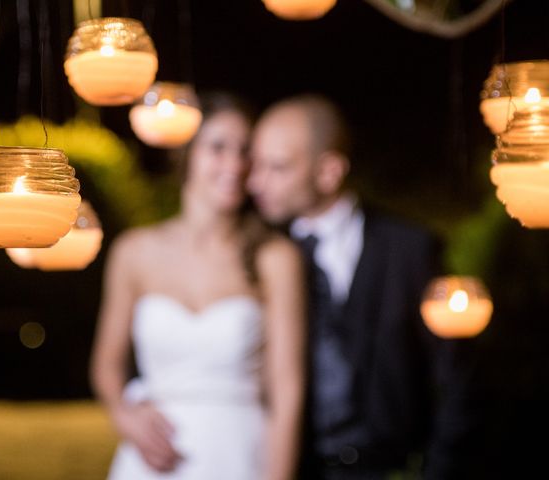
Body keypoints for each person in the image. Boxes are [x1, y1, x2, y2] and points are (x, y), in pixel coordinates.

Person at [247, 93, 478, 479]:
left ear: (329, 171)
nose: (256, 182)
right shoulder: (260, 256)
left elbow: (460, 376)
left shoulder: (410, 249)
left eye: (278, 167)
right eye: (256, 165)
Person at [90, 91, 306, 480]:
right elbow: (107, 363)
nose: (234, 165)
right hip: (151, 459)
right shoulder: (134, 252)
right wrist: (125, 414)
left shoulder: (275, 257)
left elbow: (287, 391)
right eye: (218, 147)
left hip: (240, 454)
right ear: (187, 153)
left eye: (245, 152)